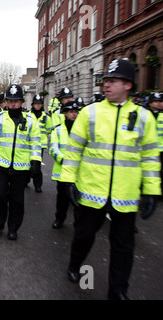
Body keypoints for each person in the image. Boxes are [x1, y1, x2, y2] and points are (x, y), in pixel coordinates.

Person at [61, 58, 161, 300]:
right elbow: (74, 149)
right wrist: (68, 181)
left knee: (123, 247)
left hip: (124, 195)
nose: (106, 85)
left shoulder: (144, 117)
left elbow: (149, 157)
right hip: (91, 191)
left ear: (128, 85)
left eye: (113, 81)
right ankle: (75, 265)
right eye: (106, 80)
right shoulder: (90, 113)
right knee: (84, 236)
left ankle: (117, 291)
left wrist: (151, 191)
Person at [0, 84, 41, 240]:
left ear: (22, 102)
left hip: (21, 167)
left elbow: (35, 143)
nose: (13, 103)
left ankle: (13, 227)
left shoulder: (30, 120)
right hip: (1, 164)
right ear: (6, 102)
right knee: (0, 196)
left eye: (16, 100)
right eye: (10, 101)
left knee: (17, 200)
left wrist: (35, 161)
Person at [49, 101, 81, 229]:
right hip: (62, 169)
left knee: (79, 199)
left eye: (76, 112)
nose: (74, 114)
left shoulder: (81, 130)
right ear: (66, 113)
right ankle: (59, 218)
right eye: (71, 112)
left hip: (78, 170)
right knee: (62, 199)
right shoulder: (57, 130)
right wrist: (63, 159)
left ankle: (79, 222)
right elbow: (53, 148)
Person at [27, 94, 52, 193]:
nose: (38, 106)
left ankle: (38, 185)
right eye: (36, 104)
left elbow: (49, 129)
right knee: (27, 163)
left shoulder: (46, 117)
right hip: (28, 143)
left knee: (37, 165)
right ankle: (26, 180)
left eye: (39, 104)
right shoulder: (28, 115)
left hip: (40, 144)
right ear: (33, 104)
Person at [147, 92, 163, 196]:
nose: (159, 104)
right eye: (156, 101)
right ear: (150, 103)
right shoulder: (145, 114)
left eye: (160, 101)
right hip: (148, 149)